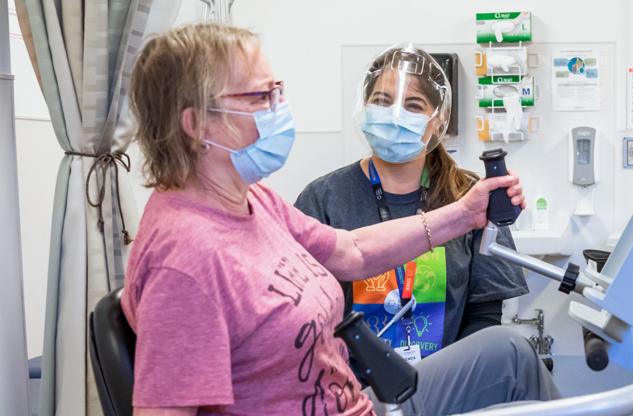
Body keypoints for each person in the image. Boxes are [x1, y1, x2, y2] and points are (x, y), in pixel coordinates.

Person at [123, 23, 559, 416]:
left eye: (279, 90)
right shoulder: (184, 263)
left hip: (360, 401)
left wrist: (466, 213)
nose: (280, 108)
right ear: (197, 124)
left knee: (509, 352)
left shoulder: (254, 202)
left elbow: (352, 251)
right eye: (260, 97)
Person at [295, 45, 530, 363]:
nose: (394, 115)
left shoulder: (468, 197)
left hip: (445, 388)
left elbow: (484, 314)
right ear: (365, 108)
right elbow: (303, 314)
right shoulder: (323, 199)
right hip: (350, 393)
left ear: (439, 119)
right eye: (382, 101)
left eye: (413, 105)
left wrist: (445, 380)